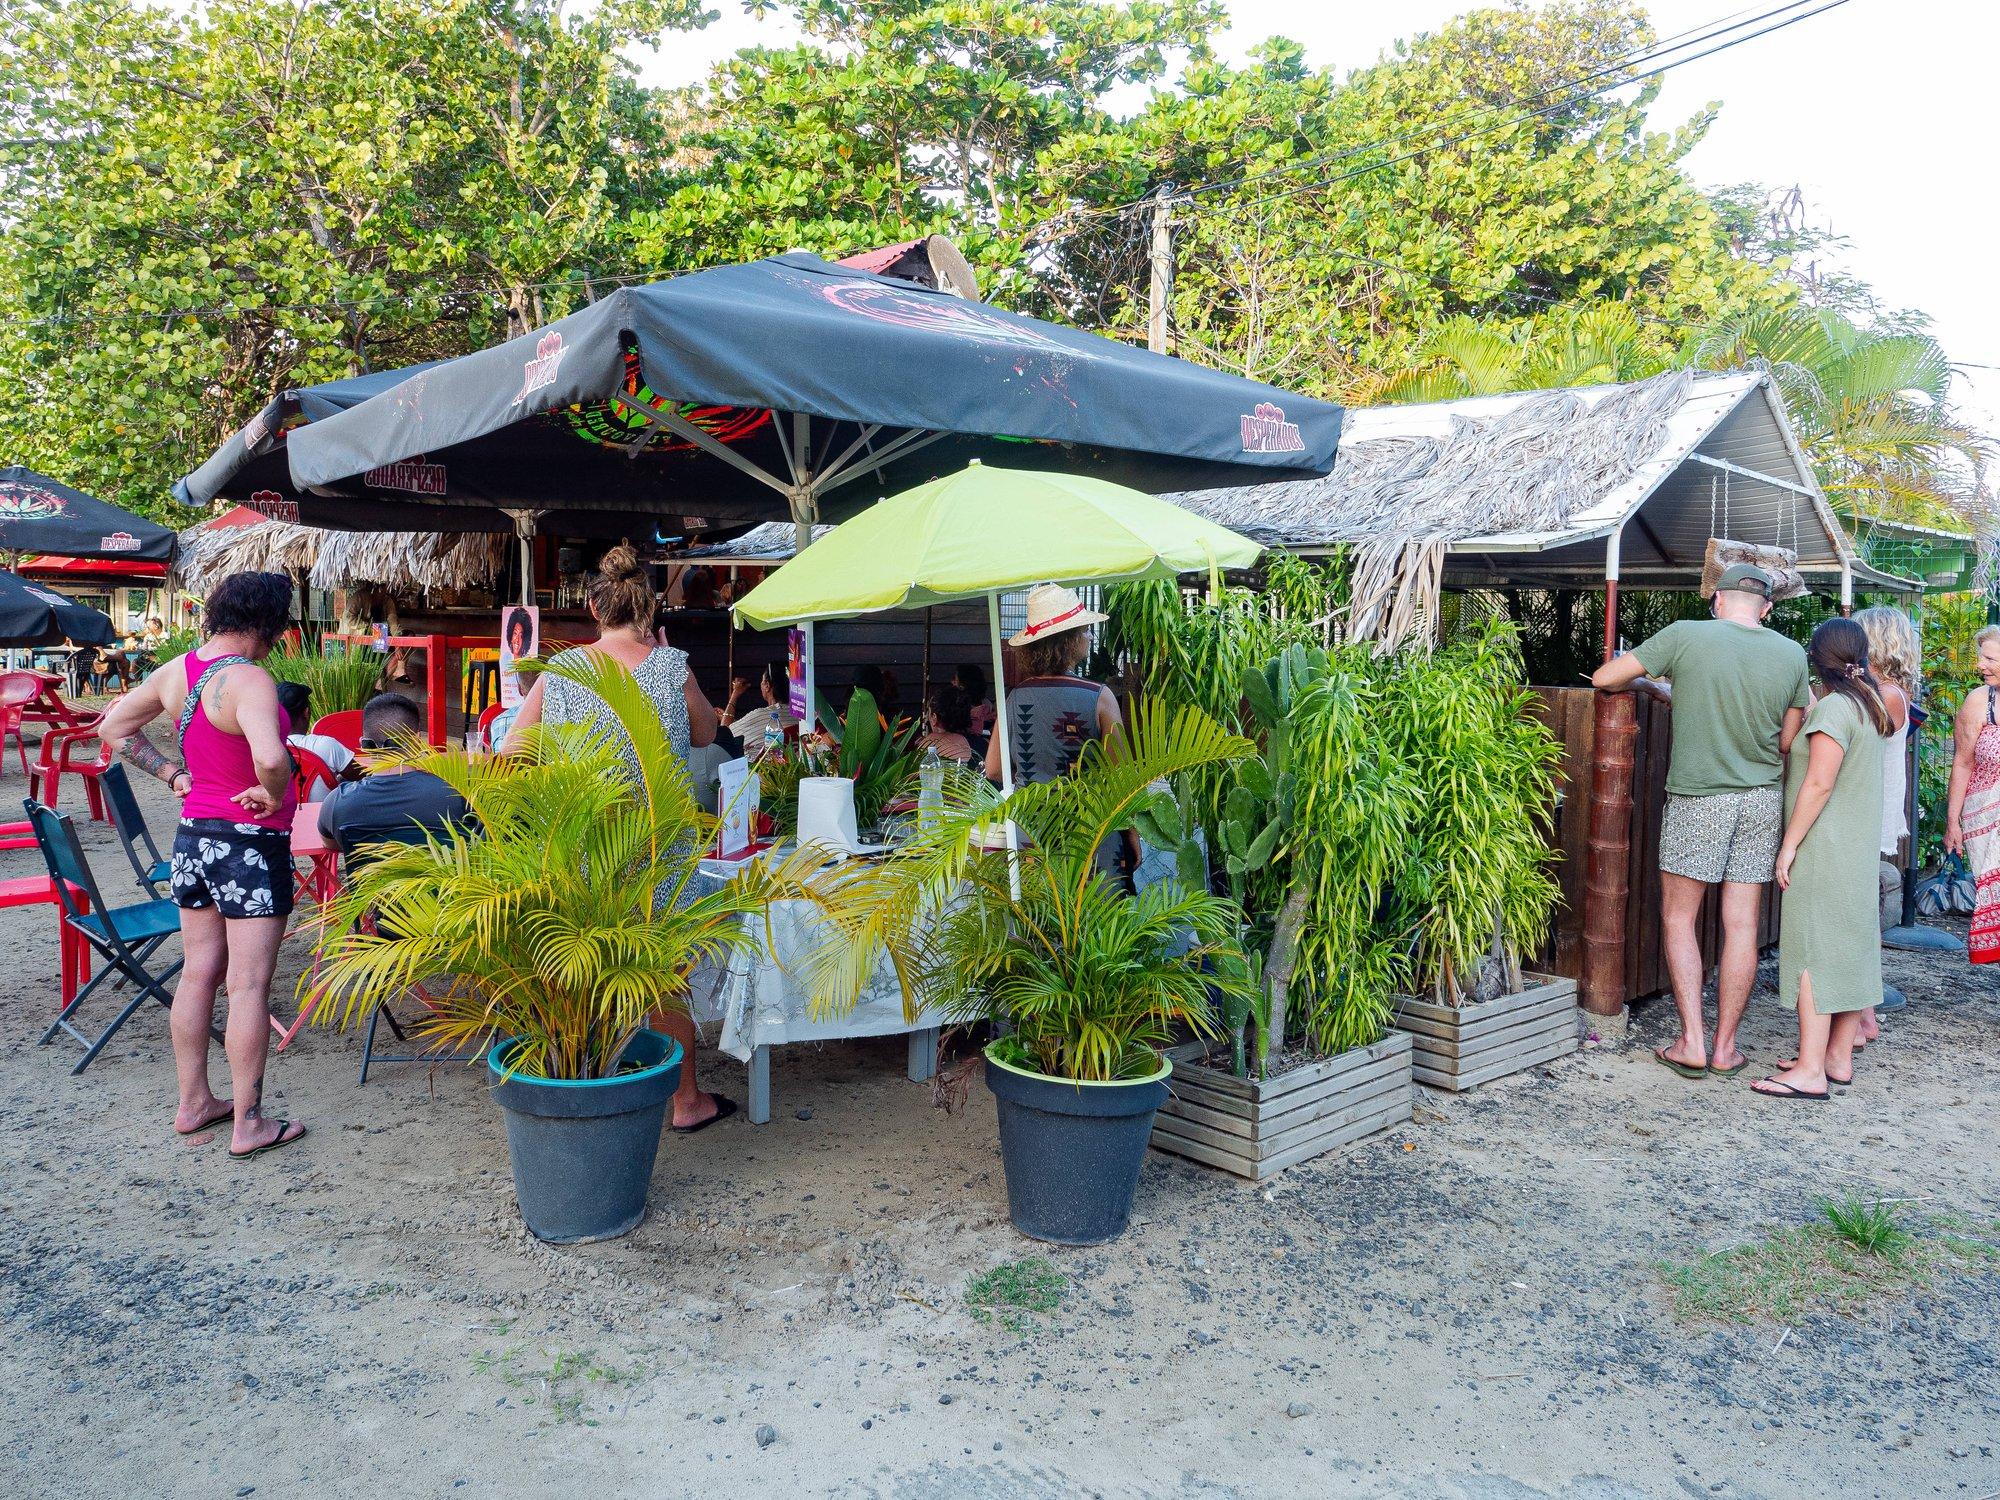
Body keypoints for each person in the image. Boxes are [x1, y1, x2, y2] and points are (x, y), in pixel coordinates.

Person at [501, 542, 731, 1131]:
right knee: (664, 973)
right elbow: (708, 733)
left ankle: (591, 1085)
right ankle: (685, 1101)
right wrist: (667, 660)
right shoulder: (670, 665)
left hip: (587, 843)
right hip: (658, 846)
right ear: (648, 610)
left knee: (587, 961)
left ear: (595, 610)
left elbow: (513, 749)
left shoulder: (565, 671)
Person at [97, 570, 306, 1158]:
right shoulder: (251, 680)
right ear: (268, 623)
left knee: (197, 973)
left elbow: (113, 727)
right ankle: (249, 1124)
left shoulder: (177, 672)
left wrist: (172, 774)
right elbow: (271, 758)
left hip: (193, 841)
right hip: (250, 844)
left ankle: (193, 1103)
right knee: (247, 984)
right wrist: (272, 792)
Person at [1591, 564, 1809, 1081]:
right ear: (1766, 608)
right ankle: (1726, 1048)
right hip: (1761, 800)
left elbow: (1604, 678)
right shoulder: (1791, 654)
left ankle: (1691, 1040)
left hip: (1699, 799)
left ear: (1717, 600)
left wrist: (1652, 683)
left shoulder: (1685, 635)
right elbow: (1787, 741)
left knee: (1679, 918)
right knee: (1742, 926)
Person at [1754, 618, 1897, 1100]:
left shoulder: (1835, 709)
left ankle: (1810, 1070)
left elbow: (1818, 784)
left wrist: (1789, 844)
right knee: (1850, 949)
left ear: (1816, 659)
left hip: (1824, 847)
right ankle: (1836, 1057)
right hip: (1855, 848)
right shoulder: (1868, 703)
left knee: (1812, 950)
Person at [985, 584, 1131, 875]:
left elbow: (994, 769)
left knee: (1037, 905)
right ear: (1069, 640)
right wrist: (1132, 832)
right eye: (1085, 630)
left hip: (1031, 837)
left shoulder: (1014, 698)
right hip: (1091, 837)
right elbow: (1124, 778)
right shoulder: (1099, 697)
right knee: (1096, 905)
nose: (1090, 637)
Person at [1856, 605, 1921, 1025]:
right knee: (1862, 909)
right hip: (1871, 803)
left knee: (1860, 911)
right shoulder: (1884, 690)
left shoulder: (1889, 695)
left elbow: (1855, 735)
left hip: (1870, 807)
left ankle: (1864, 1011)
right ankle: (1864, 1010)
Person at [318, 693, 471, 858]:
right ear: (417, 739)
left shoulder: (337, 803)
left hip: (372, 876)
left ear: (363, 743)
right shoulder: (455, 794)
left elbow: (331, 845)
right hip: (440, 875)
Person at [1945, 624, 2000, 965]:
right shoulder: (1980, 701)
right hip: (1984, 817)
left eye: (1990, 658)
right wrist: (1953, 822)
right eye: (1982, 657)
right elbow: (1963, 762)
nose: (1981, 665)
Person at [274, 681, 356, 801]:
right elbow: (363, 778)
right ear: (306, 712)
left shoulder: (259, 750)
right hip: (323, 812)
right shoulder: (326, 745)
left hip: (282, 812)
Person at [723, 662, 797, 751]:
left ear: (767, 685)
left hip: (766, 760)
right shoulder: (801, 716)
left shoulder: (760, 715)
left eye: (762, 681)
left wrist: (735, 694)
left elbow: (724, 735)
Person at [918, 685, 977, 764]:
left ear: (934, 717)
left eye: (929, 713)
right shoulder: (984, 743)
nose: (927, 718)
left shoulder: (930, 744)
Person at [956, 661, 995, 739]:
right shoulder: (987, 704)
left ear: (962, 685)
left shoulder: (986, 705)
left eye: (955, 680)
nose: (952, 682)